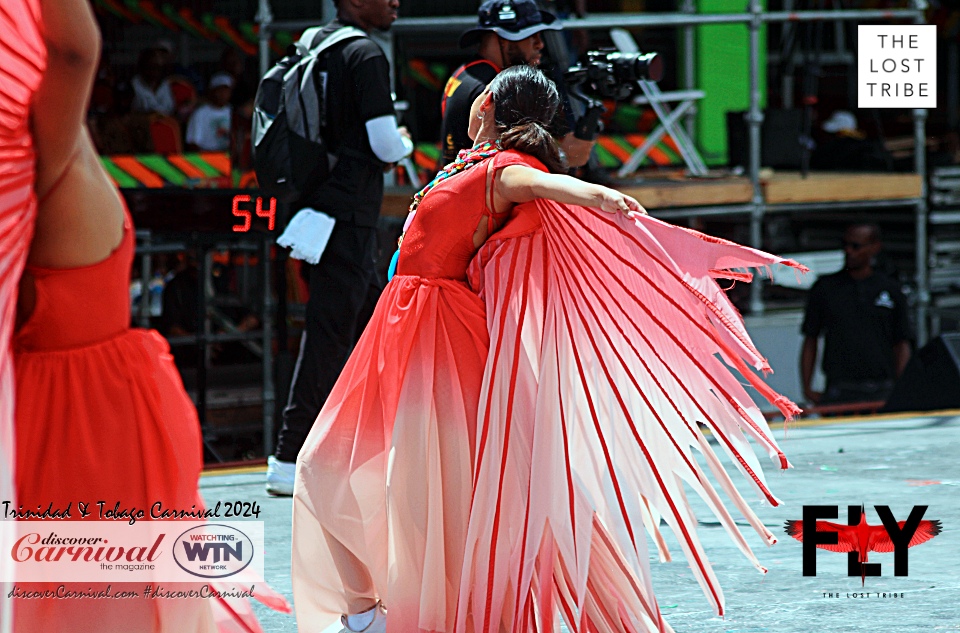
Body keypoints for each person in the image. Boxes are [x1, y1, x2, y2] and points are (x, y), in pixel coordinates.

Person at [292, 64, 802, 633]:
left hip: (439, 333)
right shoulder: (472, 165)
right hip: (400, 326)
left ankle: (389, 618)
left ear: (483, 102)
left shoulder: (508, 168)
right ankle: (373, 610)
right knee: (329, 466)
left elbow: (538, 183)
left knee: (428, 486)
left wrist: (598, 195)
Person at [9, 0, 288, 630]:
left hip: (40, 413)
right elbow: (76, 49)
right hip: (97, 416)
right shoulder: (44, 152)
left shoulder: (26, 179)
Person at [266, 0, 413, 496]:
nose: (395, 1)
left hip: (321, 207)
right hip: (347, 217)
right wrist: (408, 143)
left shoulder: (313, 43)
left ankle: (379, 441)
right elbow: (386, 144)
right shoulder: (366, 54)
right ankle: (289, 456)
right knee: (331, 335)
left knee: (377, 326)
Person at [438, 0, 594, 169]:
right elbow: (510, 165)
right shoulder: (492, 87)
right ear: (502, 39)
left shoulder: (468, 72)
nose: (540, 44)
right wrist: (565, 156)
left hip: (463, 180)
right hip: (478, 186)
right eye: (530, 35)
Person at [801, 223, 912, 407]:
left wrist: (902, 387)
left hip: (881, 386)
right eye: (845, 245)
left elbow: (902, 342)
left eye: (856, 246)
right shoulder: (826, 288)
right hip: (840, 386)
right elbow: (810, 338)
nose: (849, 251)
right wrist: (807, 387)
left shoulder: (890, 289)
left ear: (874, 248)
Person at [186, 71, 233, 152]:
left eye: (226, 90)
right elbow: (193, 143)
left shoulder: (232, 112)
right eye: (219, 90)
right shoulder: (200, 113)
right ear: (212, 91)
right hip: (207, 157)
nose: (223, 94)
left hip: (227, 156)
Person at [131, 46, 175, 116]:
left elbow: (170, 108)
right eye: (152, 67)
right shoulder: (134, 84)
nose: (155, 71)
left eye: (159, 67)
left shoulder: (164, 84)